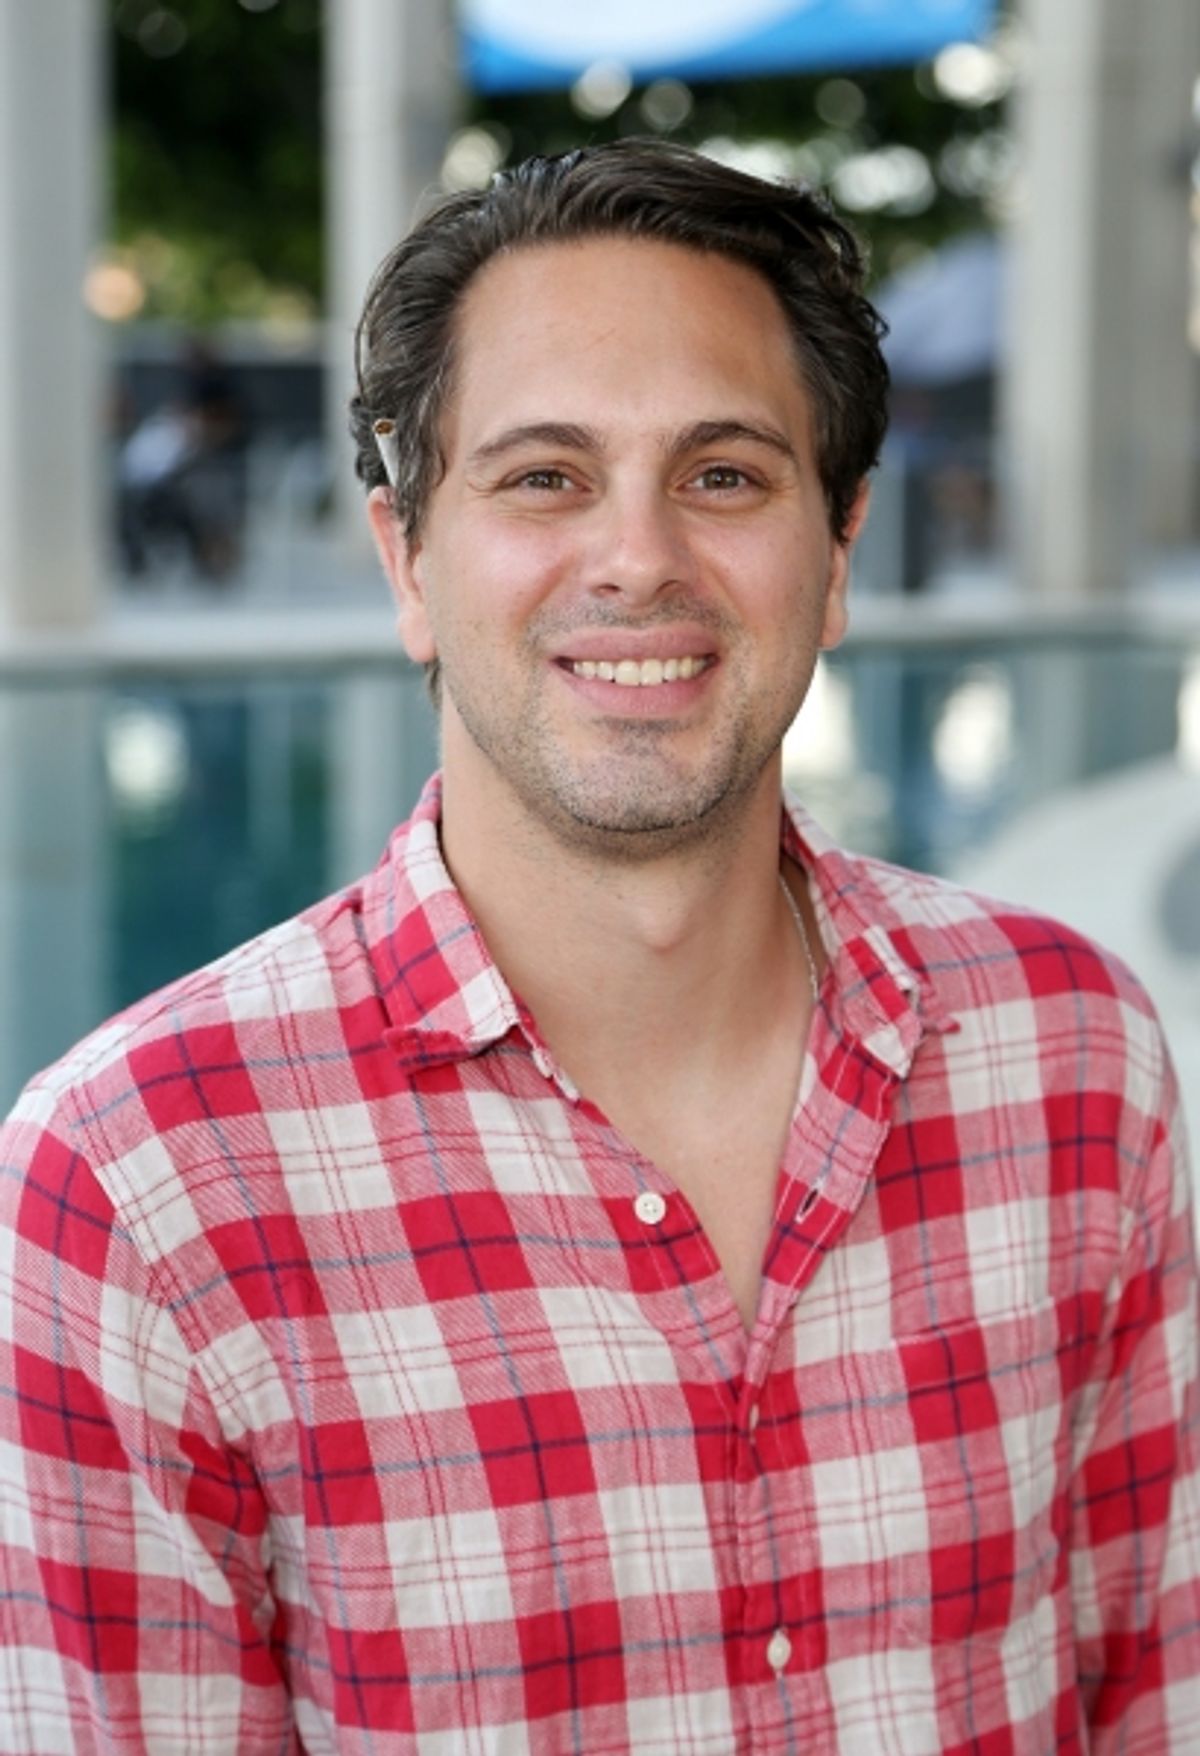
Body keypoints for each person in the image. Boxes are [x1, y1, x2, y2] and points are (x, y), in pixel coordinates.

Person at [1, 141, 1197, 1754]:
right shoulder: (136, 1189)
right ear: (408, 559)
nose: (639, 558)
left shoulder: (1075, 1055)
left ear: (836, 556)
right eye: (544, 476)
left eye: (723, 475)